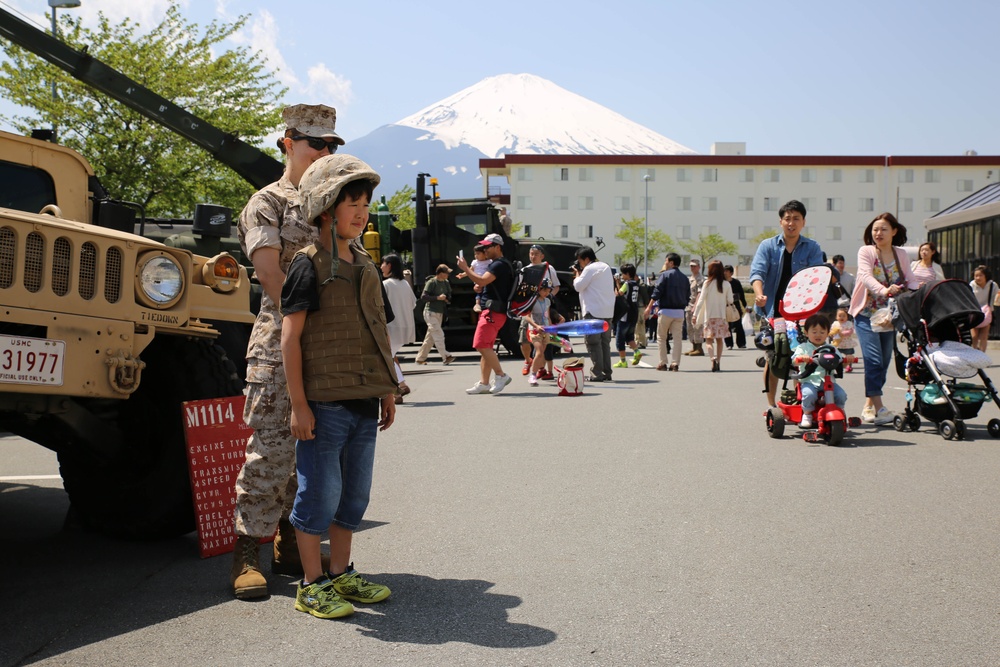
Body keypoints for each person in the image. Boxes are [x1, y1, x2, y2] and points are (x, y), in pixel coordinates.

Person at [232, 103, 345, 599]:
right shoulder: (267, 203)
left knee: (313, 456)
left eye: (332, 145)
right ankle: (248, 553)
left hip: (323, 346)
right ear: (287, 143)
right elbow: (271, 274)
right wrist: (309, 322)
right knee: (271, 453)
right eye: (315, 143)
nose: (324, 151)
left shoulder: (330, 203)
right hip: (280, 344)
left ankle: (288, 545)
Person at [280, 153, 394, 619]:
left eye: (365, 203)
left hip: (365, 399)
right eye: (352, 202)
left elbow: (379, 333)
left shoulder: (366, 264)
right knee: (318, 494)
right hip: (324, 404)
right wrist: (298, 405)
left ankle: (342, 573)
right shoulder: (308, 265)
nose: (362, 211)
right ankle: (311, 583)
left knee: (353, 497)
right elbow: (291, 338)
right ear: (326, 206)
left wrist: (388, 389)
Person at [749, 200, 824, 407]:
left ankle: (803, 402)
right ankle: (772, 405)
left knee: (805, 355)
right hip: (774, 312)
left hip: (802, 314)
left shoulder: (812, 247)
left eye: (796, 219)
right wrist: (759, 294)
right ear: (781, 221)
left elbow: (816, 276)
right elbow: (757, 273)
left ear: (803, 222)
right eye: (787, 219)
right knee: (776, 355)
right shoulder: (768, 246)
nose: (791, 223)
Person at [849, 212, 920, 425]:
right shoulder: (867, 251)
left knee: (884, 362)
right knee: (872, 359)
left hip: (889, 318)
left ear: (894, 231)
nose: (878, 233)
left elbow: (911, 279)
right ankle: (880, 408)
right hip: (865, 314)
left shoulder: (901, 254)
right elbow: (864, 276)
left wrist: (919, 294)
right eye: (875, 229)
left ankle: (868, 405)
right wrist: (884, 290)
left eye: (883, 229)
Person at [456, 233, 514, 394]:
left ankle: (501, 375)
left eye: (488, 247)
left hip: (492, 312)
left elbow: (482, 280)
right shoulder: (501, 264)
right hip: (495, 311)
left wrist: (466, 269)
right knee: (486, 347)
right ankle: (484, 383)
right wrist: (481, 287)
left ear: (497, 247)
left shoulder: (498, 265)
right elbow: (485, 283)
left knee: (480, 345)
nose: (485, 249)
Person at [792, 313, 854, 429]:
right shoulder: (803, 347)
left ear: (827, 333)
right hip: (809, 380)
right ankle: (807, 414)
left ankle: (839, 412)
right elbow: (794, 361)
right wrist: (802, 359)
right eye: (814, 332)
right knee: (809, 394)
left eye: (822, 332)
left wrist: (848, 359)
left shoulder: (832, 348)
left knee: (841, 395)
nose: (818, 335)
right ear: (806, 333)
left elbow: (841, 361)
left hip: (828, 381)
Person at [572, 246, 615, 382]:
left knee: (593, 343)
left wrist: (577, 274)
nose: (580, 264)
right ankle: (606, 372)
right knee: (604, 343)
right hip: (607, 311)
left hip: (593, 312)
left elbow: (578, 286)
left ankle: (597, 374)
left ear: (586, 259)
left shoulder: (589, 269)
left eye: (580, 261)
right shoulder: (605, 267)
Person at [517, 245, 560, 376]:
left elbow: (556, 286)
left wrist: (548, 297)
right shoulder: (525, 270)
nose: (533, 256)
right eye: (531, 253)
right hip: (529, 308)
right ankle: (527, 360)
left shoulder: (548, 268)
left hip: (544, 308)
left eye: (536, 254)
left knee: (543, 343)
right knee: (524, 339)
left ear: (542, 256)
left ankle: (540, 369)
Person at [644, 253, 689, 371]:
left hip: (666, 311)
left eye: (666, 261)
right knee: (677, 339)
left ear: (671, 263)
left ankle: (663, 362)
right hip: (679, 311)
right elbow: (688, 295)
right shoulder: (684, 278)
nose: (665, 263)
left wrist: (649, 307)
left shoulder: (665, 275)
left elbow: (657, 292)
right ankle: (675, 363)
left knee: (662, 337)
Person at [381, 253, 417, 403]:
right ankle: (402, 385)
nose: (381, 266)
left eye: (383, 263)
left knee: (385, 358)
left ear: (389, 265)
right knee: (390, 355)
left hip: (391, 326)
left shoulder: (386, 284)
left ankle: (397, 392)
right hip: (406, 326)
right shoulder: (405, 284)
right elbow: (413, 303)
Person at [694, 260, 734, 372]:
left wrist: (695, 315)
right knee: (719, 340)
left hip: (709, 317)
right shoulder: (726, 284)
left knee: (708, 341)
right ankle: (719, 361)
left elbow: (701, 300)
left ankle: (712, 358)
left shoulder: (707, 283)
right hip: (722, 317)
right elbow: (730, 300)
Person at [522, 279, 562, 386]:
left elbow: (547, 316)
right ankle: (533, 375)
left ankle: (534, 372)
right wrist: (536, 326)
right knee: (539, 352)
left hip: (545, 331)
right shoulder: (532, 301)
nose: (547, 293)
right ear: (539, 289)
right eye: (544, 290)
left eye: (548, 291)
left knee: (540, 355)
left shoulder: (547, 301)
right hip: (535, 331)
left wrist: (551, 329)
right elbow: (527, 316)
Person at [415, 265, 455, 366]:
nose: (448, 275)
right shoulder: (432, 282)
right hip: (430, 312)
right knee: (439, 334)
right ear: (441, 273)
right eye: (447, 273)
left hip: (440, 312)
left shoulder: (446, 283)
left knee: (430, 338)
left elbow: (450, 295)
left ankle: (420, 358)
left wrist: (446, 299)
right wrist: (437, 298)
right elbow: (424, 297)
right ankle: (445, 356)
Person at [613, 263, 643, 368]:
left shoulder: (627, 283)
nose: (621, 276)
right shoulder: (636, 284)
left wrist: (617, 284)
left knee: (620, 338)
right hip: (634, 313)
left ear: (627, 274)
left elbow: (619, 294)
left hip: (625, 314)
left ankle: (623, 361)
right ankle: (636, 351)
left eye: (623, 274)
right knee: (629, 336)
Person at [970, 265, 998, 352]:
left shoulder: (992, 285)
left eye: (980, 275)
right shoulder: (972, 285)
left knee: (984, 336)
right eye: (976, 276)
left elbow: (997, 296)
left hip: (987, 313)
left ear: (986, 275)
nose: (978, 278)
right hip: (975, 312)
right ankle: (974, 355)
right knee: (974, 337)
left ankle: (982, 355)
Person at [456, 245, 490, 312]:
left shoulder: (489, 262)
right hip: (477, 281)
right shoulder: (475, 262)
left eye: (478, 254)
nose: (476, 256)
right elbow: (470, 270)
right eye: (475, 254)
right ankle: (477, 305)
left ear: (485, 254)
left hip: (486, 281)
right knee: (479, 293)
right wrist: (462, 275)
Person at [684, 259, 706, 356]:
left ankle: (699, 348)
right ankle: (693, 347)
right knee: (689, 327)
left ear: (699, 267)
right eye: (691, 266)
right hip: (689, 305)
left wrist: (696, 306)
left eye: (694, 266)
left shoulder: (700, 279)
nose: (692, 268)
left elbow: (699, 294)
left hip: (696, 306)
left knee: (697, 326)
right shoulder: (690, 278)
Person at [723, 265, 747, 349]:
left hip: (735, 306)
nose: (725, 272)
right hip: (725, 306)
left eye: (727, 271)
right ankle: (729, 344)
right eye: (724, 271)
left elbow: (741, 295)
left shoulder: (736, 282)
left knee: (738, 325)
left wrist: (745, 305)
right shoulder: (722, 283)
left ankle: (741, 343)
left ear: (731, 273)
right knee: (727, 326)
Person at [829, 307, 858, 373]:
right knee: (835, 354)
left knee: (848, 355)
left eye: (844, 316)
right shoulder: (835, 323)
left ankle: (849, 366)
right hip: (838, 343)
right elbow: (832, 331)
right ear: (836, 317)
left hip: (847, 343)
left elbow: (850, 331)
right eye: (840, 316)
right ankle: (835, 365)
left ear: (847, 317)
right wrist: (831, 333)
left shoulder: (848, 323)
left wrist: (843, 333)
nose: (841, 317)